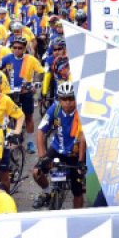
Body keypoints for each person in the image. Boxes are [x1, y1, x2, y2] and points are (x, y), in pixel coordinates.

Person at [33, 81, 86, 209]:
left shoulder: (82, 112)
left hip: (75, 153)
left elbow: (83, 138)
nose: (67, 102)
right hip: (57, 148)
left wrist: (80, 162)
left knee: (78, 191)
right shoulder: (55, 108)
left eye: (71, 99)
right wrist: (42, 157)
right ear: (59, 99)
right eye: (64, 99)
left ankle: (77, 217)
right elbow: (40, 131)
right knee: (36, 172)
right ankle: (46, 192)